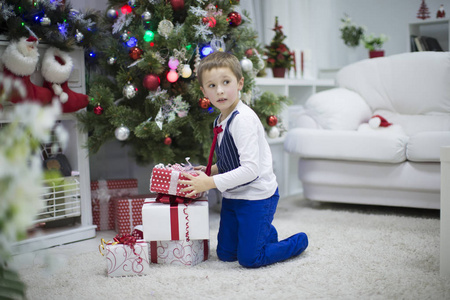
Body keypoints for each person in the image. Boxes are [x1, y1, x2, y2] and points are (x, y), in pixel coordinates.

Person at [179, 51, 308, 268]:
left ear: (240, 83)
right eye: (211, 86)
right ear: (203, 91)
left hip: (256, 196)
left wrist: (209, 183)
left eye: (226, 82)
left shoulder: (243, 120)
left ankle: (297, 241)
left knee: (250, 259)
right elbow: (233, 160)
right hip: (234, 195)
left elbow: (250, 170)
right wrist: (212, 171)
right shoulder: (221, 119)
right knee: (226, 254)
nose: (219, 90)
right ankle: (261, 232)